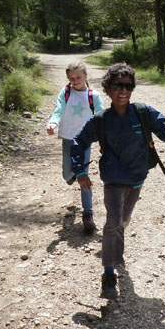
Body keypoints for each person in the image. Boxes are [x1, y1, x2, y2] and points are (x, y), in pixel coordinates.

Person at [70, 61, 165, 299]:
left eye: (128, 86)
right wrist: (80, 172)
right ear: (107, 89)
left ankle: (115, 248)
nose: (123, 91)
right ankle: (108, 274)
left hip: (136, 179)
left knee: (123, 220)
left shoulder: (143, 113)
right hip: (112, 180)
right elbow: (78, 142)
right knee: (113, 221)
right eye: (118, 85)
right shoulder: (101, 120)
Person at [46, 61, 105, 233]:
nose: (75, 81)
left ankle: (88, 214)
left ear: (85, 76)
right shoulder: (65, 93)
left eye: (78, 77)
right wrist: (53, 123)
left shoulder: (93, 96)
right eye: (71, 78)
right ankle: (72, 175)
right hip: (67, 138)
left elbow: (101, 116)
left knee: (83, 176)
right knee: (67, 174)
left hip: (85, 141)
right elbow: (58, 110)